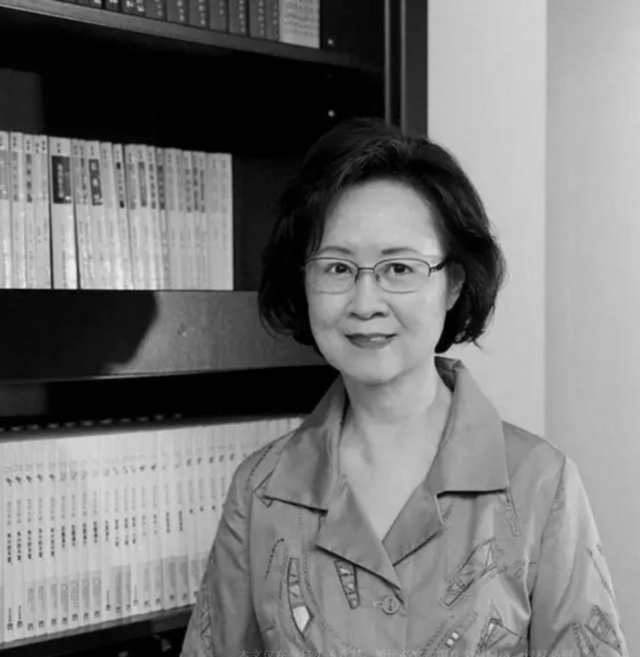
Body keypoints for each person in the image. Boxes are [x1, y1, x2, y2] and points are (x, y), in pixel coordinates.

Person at [180, 117, 628, 656]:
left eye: (398, 268)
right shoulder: (260, 491)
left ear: (453, 282)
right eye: (337, 268)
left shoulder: (540, 485)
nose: (365, 302)